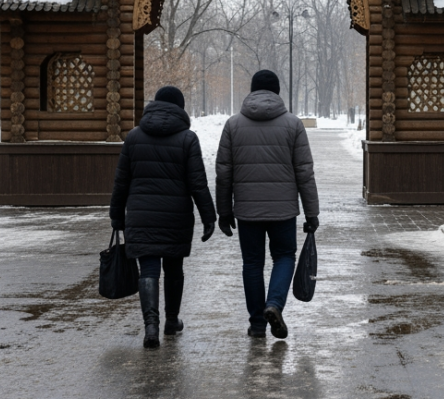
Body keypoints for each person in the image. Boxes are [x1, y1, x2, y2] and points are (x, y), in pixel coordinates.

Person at [109, 86, 217, 349]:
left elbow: (121, 181)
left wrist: (116, 215)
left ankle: (151, 326)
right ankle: (171, 320)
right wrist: (209, 217)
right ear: (180, 108)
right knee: (174, 269)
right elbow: (198, 183)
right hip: (175, 216)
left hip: (140, 215)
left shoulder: (134, 137)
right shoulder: (188, 139)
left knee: (148, 269)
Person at [215, 70, 320, 340]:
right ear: (277, 92)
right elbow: (304, 171)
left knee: (252, 263)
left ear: (252, 91)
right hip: (283, 211)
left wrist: (224, 211)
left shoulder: (233, 125)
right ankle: (274, 304)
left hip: (247, 210)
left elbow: (224, 172)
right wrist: (311, 212)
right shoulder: (293, 124)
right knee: (284, 257)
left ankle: (257, 325)